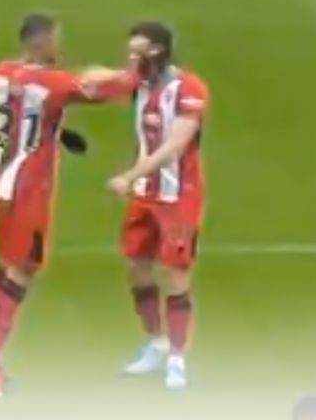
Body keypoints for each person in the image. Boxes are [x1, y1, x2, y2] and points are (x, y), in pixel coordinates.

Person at [0, 14, 96, 398]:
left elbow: (23, 108)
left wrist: (55, 132)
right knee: (23, 269)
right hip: (26, 191)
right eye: (56, 40)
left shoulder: (0, 73)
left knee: (6, 265)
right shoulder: (54, 82)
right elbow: (104, 88)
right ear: (40, 43)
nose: (60, 47)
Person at [81, 21, 210, 389]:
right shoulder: (142, 80)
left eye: (137, 52)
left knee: (176, 277)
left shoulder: (189, 90)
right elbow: (107, 78)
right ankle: (156, 342)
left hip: (177, 196)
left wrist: (129, 175)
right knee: (137, 269)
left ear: (157, 51)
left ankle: (177, 359)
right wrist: (88, 80)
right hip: (145, 194)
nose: (130, 58)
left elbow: (175, 145)